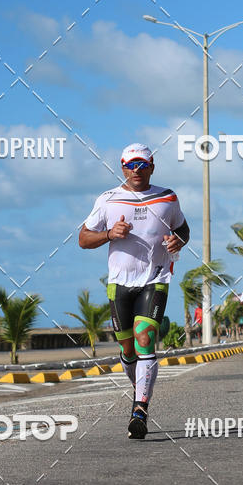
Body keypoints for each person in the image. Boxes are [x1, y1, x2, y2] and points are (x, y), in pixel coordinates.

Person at [79, 144, 190, 439]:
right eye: (131, 165)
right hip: (119, 284)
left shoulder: (168, 197)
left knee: (145, 339)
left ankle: (140, 408)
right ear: (122, 167)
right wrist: (108, 234)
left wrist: (178, 242)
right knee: (128, 349)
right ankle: (139, 386)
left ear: (152, 165)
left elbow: (183, 229)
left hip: (155, 279)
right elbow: (83, 239)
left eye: (142, 165)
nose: (136, 171)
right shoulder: (108, 199)